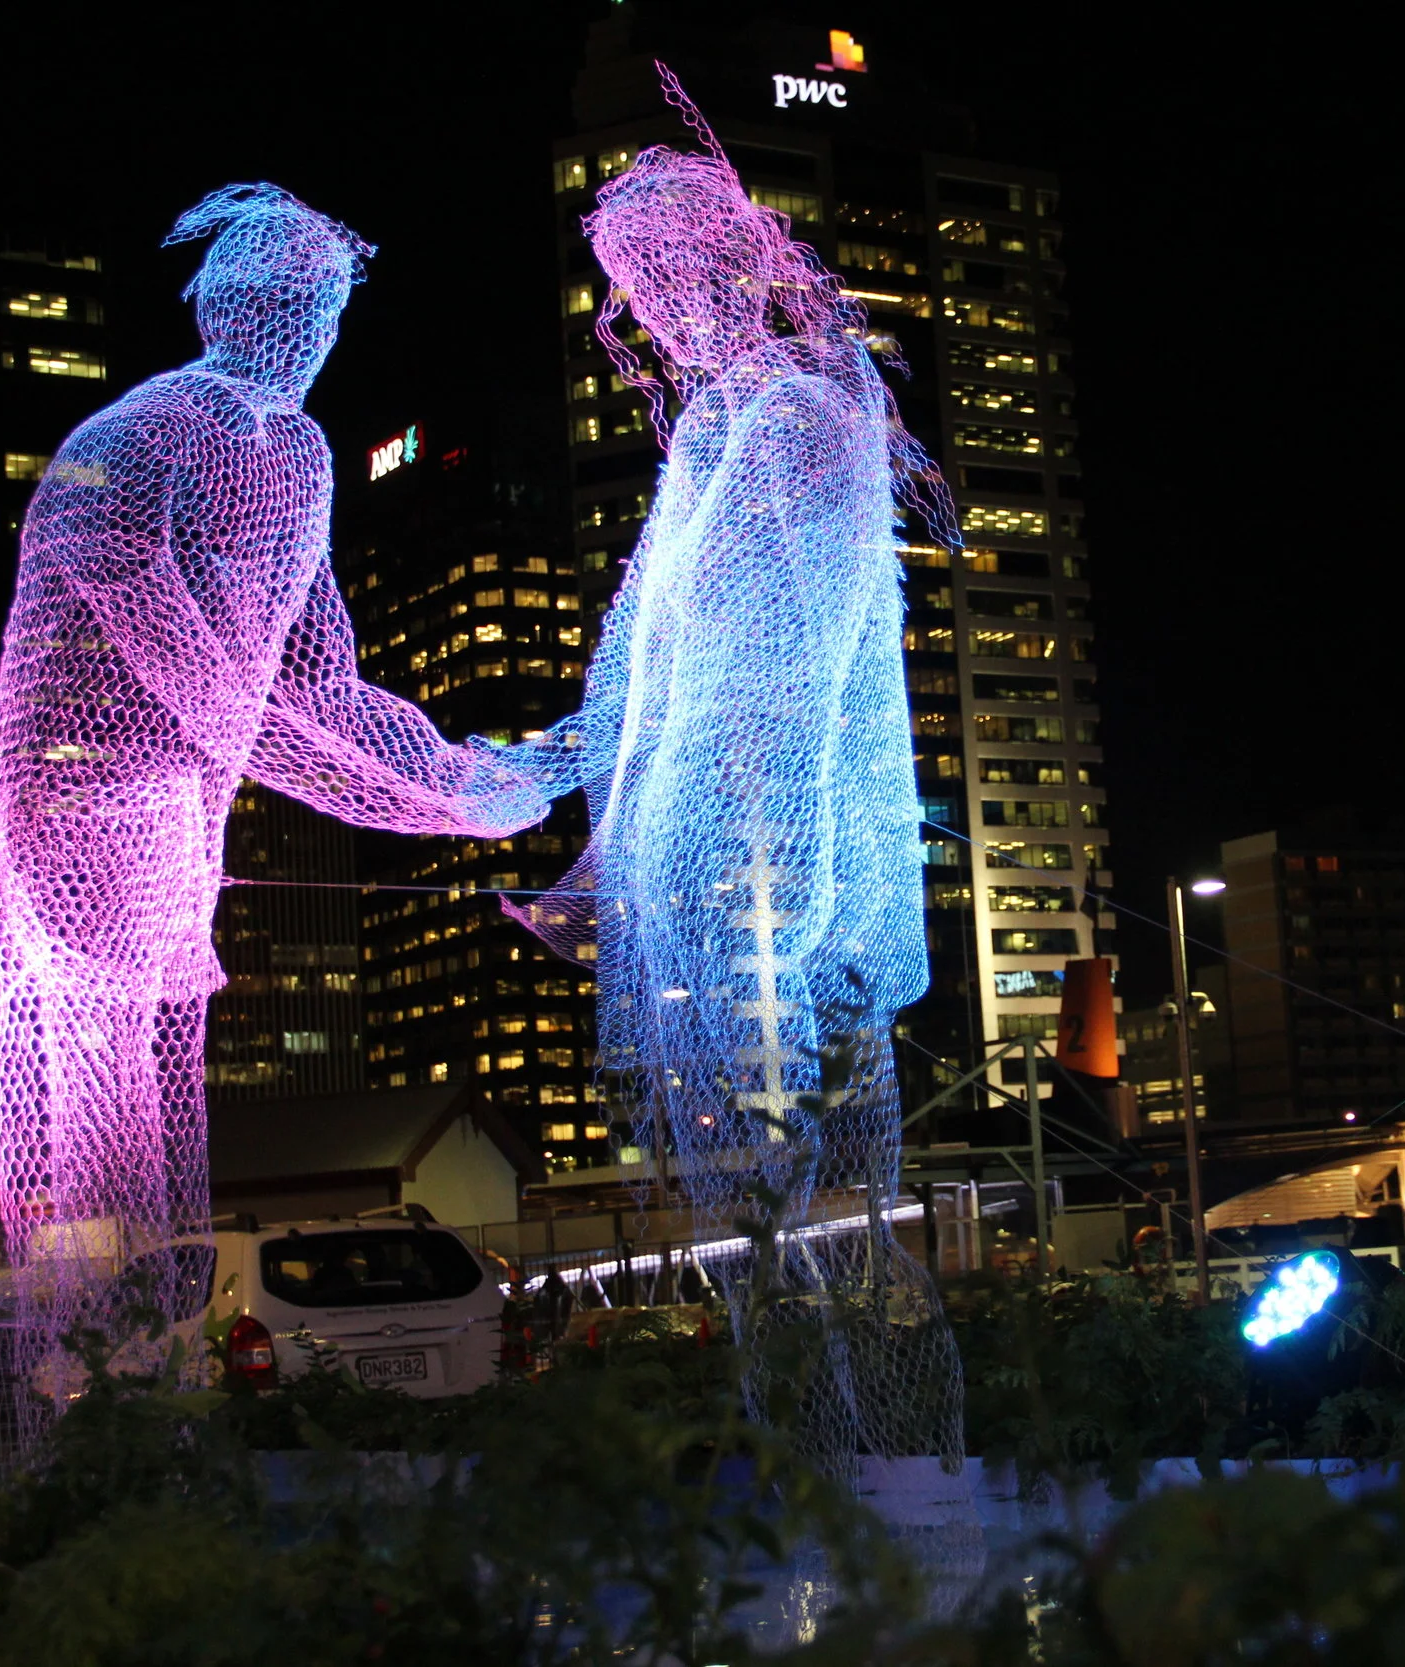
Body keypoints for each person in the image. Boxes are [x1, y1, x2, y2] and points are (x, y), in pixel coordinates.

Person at [0, 185, 567, 1388]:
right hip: (68, 815)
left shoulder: (298, 455)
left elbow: (321, 684)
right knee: (100, 1131)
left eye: (323, 309)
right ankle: (90, 1396)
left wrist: (486, 777)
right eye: (296, 305)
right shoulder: (137, 435)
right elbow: (216, 692)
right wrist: (447, 797)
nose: (312, 333)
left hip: (165, 825)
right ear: (232, 308)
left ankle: (144, 1403)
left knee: (161, 1144)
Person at [513, 68, 961, 1464]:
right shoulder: (711, 429)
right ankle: (820, 1477)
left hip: (771, 843)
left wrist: (807, 867)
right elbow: (638, 653)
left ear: (738, 264)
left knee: (824, 1183)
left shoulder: (803, 415)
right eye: (637, 290)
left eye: (675, 274)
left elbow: (810, 657)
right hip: (693, 853)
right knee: (741, 1205)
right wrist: (537, 769)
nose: (660, 309)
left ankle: (894, 1479)